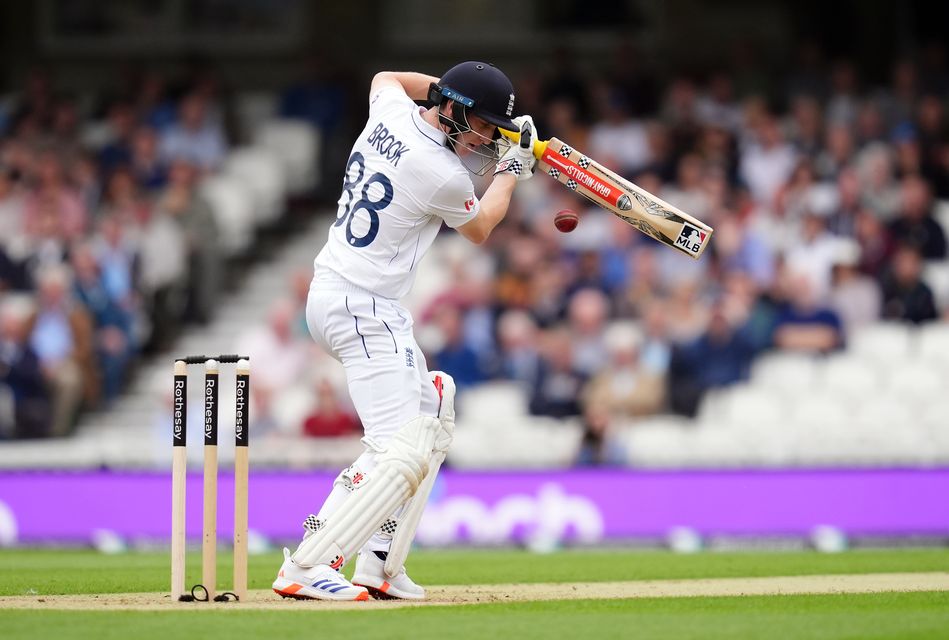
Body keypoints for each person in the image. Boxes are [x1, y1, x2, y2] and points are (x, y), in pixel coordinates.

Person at [272, 62, 537, 601]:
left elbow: (385, 77)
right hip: (364, 307)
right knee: (397, 448)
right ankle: (309, 563)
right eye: (483, 125)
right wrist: (514, 167)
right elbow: (483, 227)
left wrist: (442, 90)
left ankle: (381, 565)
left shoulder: (389, 111)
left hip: (343, 294)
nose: (485, 137)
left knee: (434, 407)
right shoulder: (441, 172)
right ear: (455, 110)